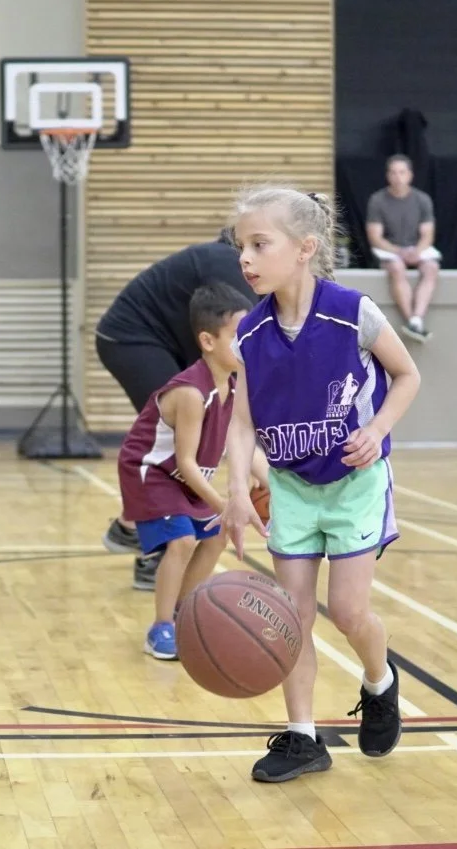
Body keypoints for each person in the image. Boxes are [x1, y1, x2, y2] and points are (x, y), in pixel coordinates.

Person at [220, 186, 421, 784]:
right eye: (241, 247)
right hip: (291, 487)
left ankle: (380, 683)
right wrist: (236, 489)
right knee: (293, 618)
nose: (246, 259)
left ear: (305, 248)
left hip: (356, 483)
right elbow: (241, 421)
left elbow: (407, 375)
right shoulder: (250, 335)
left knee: (351, 612)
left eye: (260, 244)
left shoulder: (351, 312)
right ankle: (303, 737)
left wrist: (379, 427)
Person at [95, 233, 255, 590]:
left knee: (199, 439)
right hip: (132, 338)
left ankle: (128, 527)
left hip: (175, 345)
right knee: (186, 442)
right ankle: (155, 557)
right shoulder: (228, 267)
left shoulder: (249, 271)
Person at [118, 282, 265, 660]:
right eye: (237, 336)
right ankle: (160, 626)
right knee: (182, 540)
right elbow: (184, 461)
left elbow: (244, 450)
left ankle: (184, 613)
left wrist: (277, 488)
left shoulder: (232, 388)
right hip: (152, 472)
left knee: (216, 536)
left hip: (184, 477)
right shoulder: (191, 393)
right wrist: (225, 504)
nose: (246, 344)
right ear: (208, 340)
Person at [365, 154, 440, 342]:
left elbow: (428, 235)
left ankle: (417, 318)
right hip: (390, 251)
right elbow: (375, 237)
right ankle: (411, 321)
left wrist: (416, 251)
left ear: (410, 175)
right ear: (388, 175)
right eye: (393, 172)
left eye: (402, 172)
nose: (398, 177)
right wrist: (398, 251)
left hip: (416, 249)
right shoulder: (377, 200)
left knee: (431, 268)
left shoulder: (422, 199)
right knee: (397, 268)